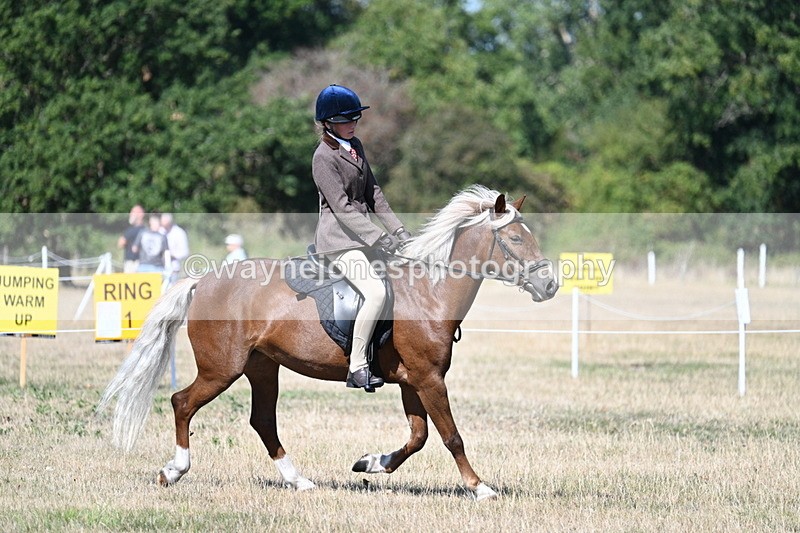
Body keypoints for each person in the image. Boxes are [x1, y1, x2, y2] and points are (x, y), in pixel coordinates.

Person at [312, 84, 411, 392]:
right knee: (377, 293)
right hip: (339, 242)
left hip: (363, 238)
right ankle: (357, 366)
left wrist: (398, 230)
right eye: (345, 118)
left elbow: (374, 194)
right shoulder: (323, 158)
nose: (352, 122)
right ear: (327, 123)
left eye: (355, 116)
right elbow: (342, 208)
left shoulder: (356, 146)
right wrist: (377, 237)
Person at [160, 213, 189, 284]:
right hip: (160, 269)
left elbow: (185, 252)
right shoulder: (160, 231)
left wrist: (172, 255)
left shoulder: (179, 233)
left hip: (173, 270)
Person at [117, 205, 145, 273]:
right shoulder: (146, 229)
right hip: (134, 262)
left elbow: (120, 243)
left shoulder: (131, 230)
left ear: (141, 214)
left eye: (133, 212)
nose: (131, 214)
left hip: (135, 263)